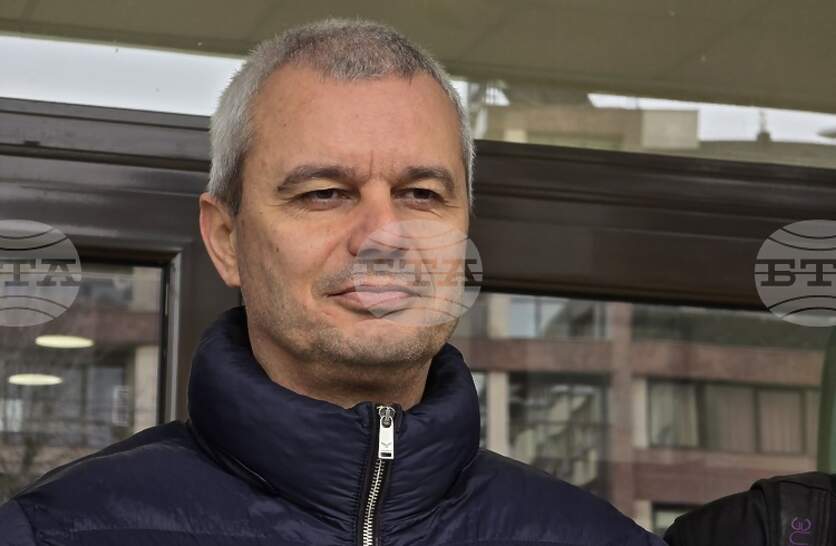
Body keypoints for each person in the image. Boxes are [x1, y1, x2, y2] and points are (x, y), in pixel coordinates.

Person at [0, 18, 666, 545]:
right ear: (226, 239)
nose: (383, 236)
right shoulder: (55, 532)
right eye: (324, 193)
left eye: (421, 194)